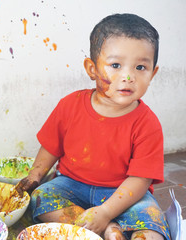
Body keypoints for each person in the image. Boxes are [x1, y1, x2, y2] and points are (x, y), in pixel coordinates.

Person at [16, 13, 170, 240]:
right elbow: (51, 147)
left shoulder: (148, 123)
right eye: (115, 65)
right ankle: (106, 228)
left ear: (153, 73)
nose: (128, 76)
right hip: (71, 186)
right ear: (92, 68)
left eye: (140, 67)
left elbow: (140, 180)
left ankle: (106, 222)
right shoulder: (70, 105)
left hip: (125, 195)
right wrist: (34, 176)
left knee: (153, 227)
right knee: (40, 198)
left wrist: (107, 210)